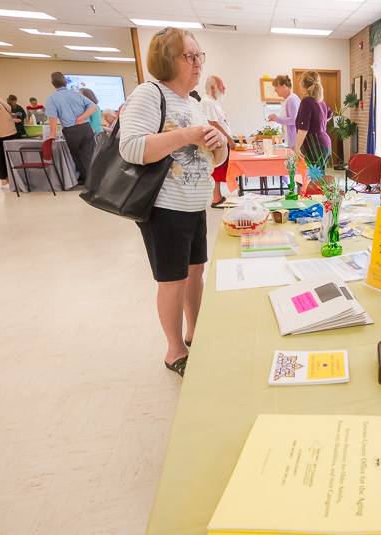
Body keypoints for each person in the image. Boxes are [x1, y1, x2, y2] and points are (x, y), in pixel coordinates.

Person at [119, 27, 227, 377]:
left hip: (194, 206)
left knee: (196, 273)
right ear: (168, 60)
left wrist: (219, 144)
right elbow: (132, 147)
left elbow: (217, 158)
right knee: (172, 280)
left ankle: (196, 331)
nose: (198, 63)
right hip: (165, 208)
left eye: (200, 56)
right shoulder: (149, 94)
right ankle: (174, 349)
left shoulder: (193, 103)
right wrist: (188, 134)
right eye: (189, 56)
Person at [46, 72, 97, 184]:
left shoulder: (52, 98)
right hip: (86, 127)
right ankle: (93, 180)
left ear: (53, 83)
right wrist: (82, 117)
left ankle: (87, 180)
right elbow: (93, 106)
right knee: (89, 155)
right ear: (65, 81)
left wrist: (52, 133)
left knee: (77, 156)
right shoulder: (76, 94)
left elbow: (52, 117)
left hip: (71, 131)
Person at [201, 75, 236, 207]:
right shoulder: (207, 102)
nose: (224, 88)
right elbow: (213, 123)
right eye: (221, 85)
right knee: (217, 170)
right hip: (217, 142)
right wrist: (229, 139)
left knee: (220, 170)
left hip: (221, 141)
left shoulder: (213, 102)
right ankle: (216, 199)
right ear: (213, 87)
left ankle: (218, 196)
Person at [294, 71, 332, 163]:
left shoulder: (306, 102)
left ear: (303, 85)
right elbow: (329, 115)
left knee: (313, 176)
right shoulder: (321, 102)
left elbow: (303, 128)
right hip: (324, 143)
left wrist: (297, 147)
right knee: (319, 176)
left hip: (314, 146)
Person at [268, 75, 300, 150]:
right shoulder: (290, 99)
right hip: (292, 140)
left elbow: (294, 120)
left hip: (295, 141)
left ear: (284, 86)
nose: (275, 90)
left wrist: (277, 119)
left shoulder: (291, 99)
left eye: (277, 87)